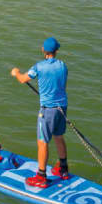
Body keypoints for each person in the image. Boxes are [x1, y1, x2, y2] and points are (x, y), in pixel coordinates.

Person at [10, 37, 69, 189]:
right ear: (56, 51)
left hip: (48, 110)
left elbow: (23, 79)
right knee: (58, 136)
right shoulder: (63, 66)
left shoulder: (39, 67)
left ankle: (41, 176)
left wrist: (16, 72)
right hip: (62, 108)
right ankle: (63, 169)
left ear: (43, 50)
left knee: (42, 142)